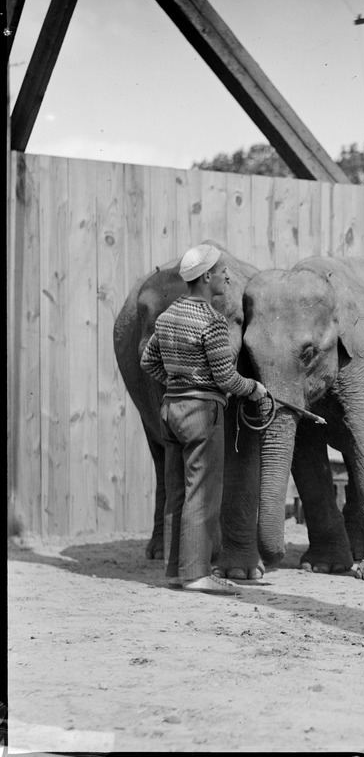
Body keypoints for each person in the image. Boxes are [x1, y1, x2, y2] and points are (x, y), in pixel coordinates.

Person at [141, 244, 267, 595]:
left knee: (177, 492)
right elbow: (226, 379)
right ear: (205, 277)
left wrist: (179, 381)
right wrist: (254, 388)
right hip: (201, 414)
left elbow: (148, 364)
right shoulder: (212, 322)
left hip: (170, 411)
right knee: (203, 494)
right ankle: (197, 574)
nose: (227, 276)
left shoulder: (166, 318)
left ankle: (175, 571)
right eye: (221, 270)